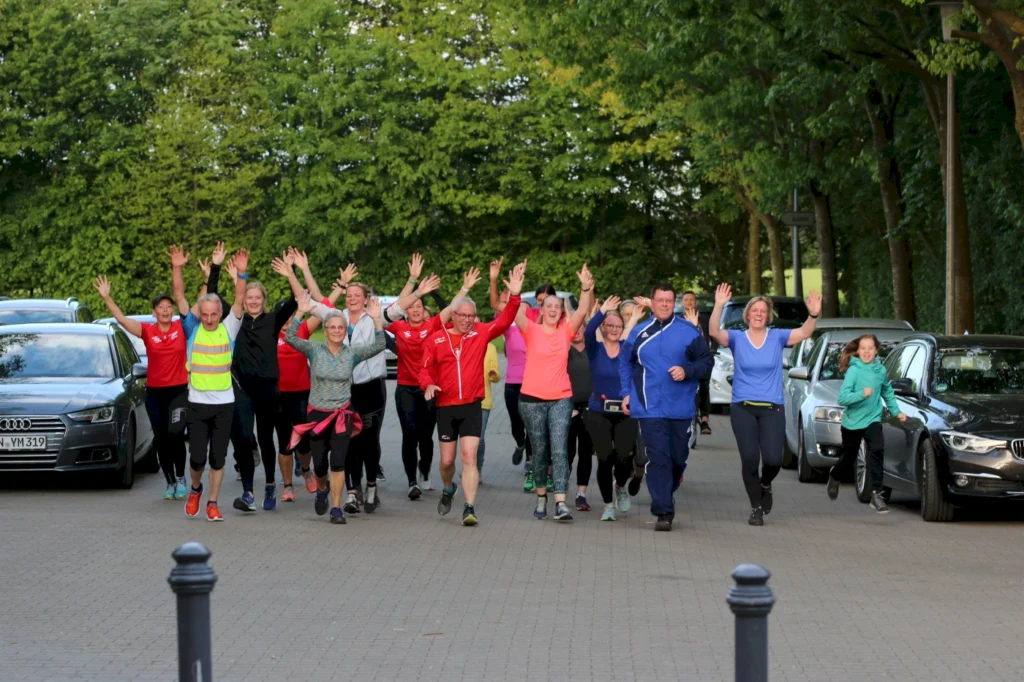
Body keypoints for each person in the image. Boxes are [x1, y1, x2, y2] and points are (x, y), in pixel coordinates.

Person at [420, 261, 526, 526]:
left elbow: (506, 319)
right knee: (447, 461)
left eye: (471, 316)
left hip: (471, 406)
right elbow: (425, 368)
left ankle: (469, 508)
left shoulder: (481, 333)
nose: (467, 320)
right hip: (445, 406)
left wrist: (514, 295)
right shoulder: (437, 339)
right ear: (453, 315)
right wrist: (428, 384)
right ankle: (448, 488)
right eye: (463, 316)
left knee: (469, 457)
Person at [708, 283, 821, 527]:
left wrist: (813, 315)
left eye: (763, 311)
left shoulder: (777, 337)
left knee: (772, 460)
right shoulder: (737, 338)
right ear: (747, 315)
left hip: (772, 408)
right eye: (755, 310)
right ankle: (756, 507)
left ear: (768, 316)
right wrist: (718, 305)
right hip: (743, 407)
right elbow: (714, 332)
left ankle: (766, 483)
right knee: (750, 459)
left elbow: (804, 333)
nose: (759, 314)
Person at [208, 249, 301, 513]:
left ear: (264, 300)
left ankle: (270, 484)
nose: (253, 301)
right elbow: (211, 295)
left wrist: (290, 272)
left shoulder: (273, 320)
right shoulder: (235, 319)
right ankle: (248, 492)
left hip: (268, 389)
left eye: (257, 297)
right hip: (242, 388)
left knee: (266, 438)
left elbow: (297, 299)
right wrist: (216, 267)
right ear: (244, 300)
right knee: (244, 439)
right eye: (249, 297)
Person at [285, 294, 386, 524]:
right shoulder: (314, 349)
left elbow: (380, 345)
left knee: (338, 462)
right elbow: (290, 337)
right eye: (333, 327)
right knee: (320, 465)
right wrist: (300, 311)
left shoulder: (352, 353)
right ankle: (322, 488)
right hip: (317, 415)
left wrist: (376, 320)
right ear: (325, 330)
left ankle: (336, 508)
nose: (337, 331)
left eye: (341, 327)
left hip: (342, 415)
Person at [620, 283, 714, 532]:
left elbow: (706, 362)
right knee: (658, 457)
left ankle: (667, 489)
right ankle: (663, 511)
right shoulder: (639, 332)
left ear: (675, 303)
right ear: (652, 302)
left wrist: (687, 370)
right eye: (660, 300)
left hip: (680, 407)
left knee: (677, 459)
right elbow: (625, 363)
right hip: (648, 407)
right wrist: (626, 393)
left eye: (669, 300)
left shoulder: (688, 331)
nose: (664, 304)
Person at [93, 275, 189, 501]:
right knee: (161, 439)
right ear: (154, 312)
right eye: (161, 307)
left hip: (178, 391)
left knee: (176, 434)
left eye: (169, 307)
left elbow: (189, 303)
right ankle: (170, 482)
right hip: (155, 393)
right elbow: (121, 319)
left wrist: (204, 278)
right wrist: (107, 298)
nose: (165, 310)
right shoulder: (147, 330)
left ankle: (181, 477)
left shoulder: (181, 327)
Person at [168, 245, 245, 521]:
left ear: (220, 313)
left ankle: (212, 503)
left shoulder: (229, 328)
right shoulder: (192, 328)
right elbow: (179, 296)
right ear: (199, 314)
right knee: (198, 459)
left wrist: (242, 272)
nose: (210, 319)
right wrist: (177, 267)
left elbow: (239, 299)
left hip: (224, 404)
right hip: (198, 403)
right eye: (205, 314)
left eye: (214, 314)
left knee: (218, 459)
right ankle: (195, 489)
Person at [515, 264, 594, 522]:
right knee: (540, 451)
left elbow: (582, 311)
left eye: (557, 306)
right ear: (541, 309)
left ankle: (560, 503)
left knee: (559, 450)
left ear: (561, 311)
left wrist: (585, 288)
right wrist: (515, 293)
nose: (552, 309)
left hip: (561, 399)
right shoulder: (530, 330)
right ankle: (541, 498)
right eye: (548, 305)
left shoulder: (566, 332)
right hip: (531, 401)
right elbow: (513, 314)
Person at [381, 255, 449, 499]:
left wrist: (433, 292)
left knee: (426, 437)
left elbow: (448, 312)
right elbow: (391, 312)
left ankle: (425, 471)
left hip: (429, 389)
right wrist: (412, 282)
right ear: (406, 311)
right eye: (411, 306)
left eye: (419, 306)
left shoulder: (433, 325)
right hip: (406, 389)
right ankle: (412, 481)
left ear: (424, 310)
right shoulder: (399, 327)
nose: (416, 309)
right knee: (409, 435)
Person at [273, 248, 337, 501]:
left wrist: (295, 272)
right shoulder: (269, 335)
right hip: (278, 396)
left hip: (302, 394)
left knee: (304, 441)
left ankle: (307, 470)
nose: (288, 321)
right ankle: (288, 486)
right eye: (284, 318)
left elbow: (322, 308)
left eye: (291, 317)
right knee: (284, 442)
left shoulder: (302, 330)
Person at [829, 334, 905, 513]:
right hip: (853, 422)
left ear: (876, 350)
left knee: (877, 450)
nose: (866, 352)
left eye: (870, 348)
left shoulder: (880, 370)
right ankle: (835, 475)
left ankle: (876, 494)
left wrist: (896, 412)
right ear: (858, 351)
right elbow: (842, 398)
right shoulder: (853, 371)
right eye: (863, 348)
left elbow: (887, 391)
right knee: (849, 458)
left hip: (873, 419)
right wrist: (862, 394)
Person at [583, 296, 637, 521]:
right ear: (603, 328)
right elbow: (588, 331)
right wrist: (602, 310)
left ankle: (621, 486)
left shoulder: (628, 348)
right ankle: (607, 505)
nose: (614, 329)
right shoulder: (595, 349)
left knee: (624, 457)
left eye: (618, 326)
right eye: (610, 325)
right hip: (599, 411)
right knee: (605, 458)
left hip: (626, 412)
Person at [488, 258, 532, 487]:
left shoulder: (529, 314)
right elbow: (495, 303)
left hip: (533, 381)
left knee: (532, 423)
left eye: (510, 296)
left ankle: (531, 462)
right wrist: (494, 279)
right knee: (516, 423)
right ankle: (520, 444)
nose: (505, 301)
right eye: (504, 298)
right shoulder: (505, 320)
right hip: (513, 381)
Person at [567, 315, 594, 511]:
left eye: (580, 327)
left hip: (590, 410)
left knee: (585, 453)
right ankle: (561, 490)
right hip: (568, 409)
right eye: (573, 328)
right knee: (566, 453)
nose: (576, 332)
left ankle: (581, 494)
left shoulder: (593, 350)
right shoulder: (563, 350)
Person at [682, 290, 713, 435]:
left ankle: (705, 419)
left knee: (704, 387)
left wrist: (712, 350)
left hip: (703, 358)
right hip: (686, 360)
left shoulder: (705, 319)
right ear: (682, 303)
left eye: (692, 299)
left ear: (696, 302)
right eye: (686, 299)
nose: (689, 302)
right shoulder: (678, 320)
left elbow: (712, 335)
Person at [477, 340, 501, 480]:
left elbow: (496, 375)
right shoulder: (464, 343)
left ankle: (478, 467)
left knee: (479, 438)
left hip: (483, 399)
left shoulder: (490, 348)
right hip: (465, 399)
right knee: (468, 439)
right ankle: (469, 467)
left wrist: (493, 374)